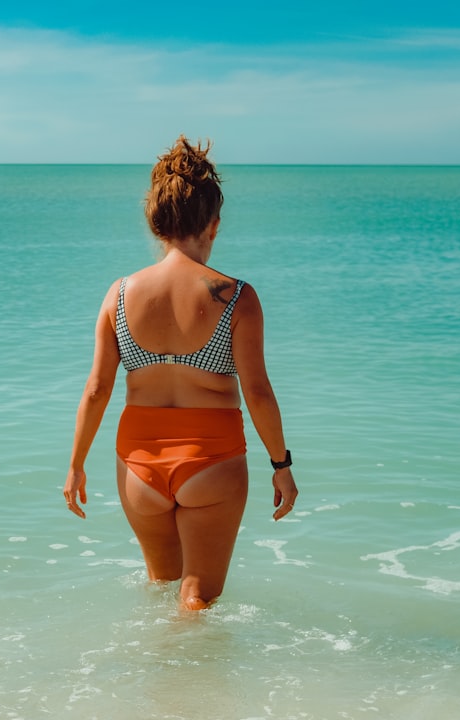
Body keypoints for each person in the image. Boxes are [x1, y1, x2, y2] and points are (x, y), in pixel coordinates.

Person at [64, 136, 298, 611]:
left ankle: (157, 682)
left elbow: (96, 389)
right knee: (198, 601)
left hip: (138, 464)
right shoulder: (234, 296)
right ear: (213, 225)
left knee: (162, 590)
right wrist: (281, 465)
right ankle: (198, 684)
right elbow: (256, 390)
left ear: (157, 224)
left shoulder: (120, 294)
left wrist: (75, 464)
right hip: (211, 459)